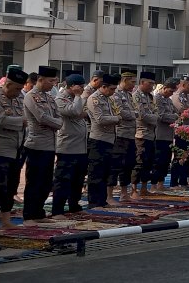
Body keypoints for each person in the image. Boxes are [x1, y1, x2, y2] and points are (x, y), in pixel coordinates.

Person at [0, 68, 27, 235]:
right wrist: (20, 121)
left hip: (16, 147)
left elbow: (21, 119)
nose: (19, 92)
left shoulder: (18, 98)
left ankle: (6, 220)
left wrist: (19, 121)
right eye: (16, 88)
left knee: (11, 187)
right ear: (7, 84)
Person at [23, 66, 62, 225]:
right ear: (40, 79)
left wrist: (57, 123)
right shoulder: (31, 96)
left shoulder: (49, 97)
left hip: (50, 144)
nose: (53, 84)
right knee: (34, 181)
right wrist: (57, 123)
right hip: (36, 144)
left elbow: (57, 116)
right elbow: (41, 117)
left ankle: (38, 212)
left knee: (46, 182)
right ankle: (29, 215)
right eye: (51, 81)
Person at [51, 73, 87, 218]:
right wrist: (78, 97)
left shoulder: (74, 99)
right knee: (63, 179)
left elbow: (83, 113)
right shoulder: (60, 99)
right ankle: (58, 209)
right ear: (72, 86)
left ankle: (74, 205)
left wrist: (78, 101)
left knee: (78, 179)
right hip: (67, 146)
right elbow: (76, 111)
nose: (83, 89)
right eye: (80, 86)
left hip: (81, 146)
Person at [86, 74, 121, 208]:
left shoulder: (108, 99)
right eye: (111, 89)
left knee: (106, 172)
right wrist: (117, 119)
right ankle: (93, 201)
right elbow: (100, 119)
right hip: (98, 139)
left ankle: (102, 200)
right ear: (103, 87)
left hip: (110, 139)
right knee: (96, 172)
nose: (113, 92)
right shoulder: (94, 98)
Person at [113, 71, 138, 202]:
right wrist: (134, 115)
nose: (134, 85)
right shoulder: (115, 94)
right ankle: (111, 194)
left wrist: (133, 114)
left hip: (130, 134)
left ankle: (124, 192)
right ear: (124, 80)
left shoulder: (128, 95)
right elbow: (121, 112)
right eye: (132, 82)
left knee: (129, 164)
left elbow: (135, 111)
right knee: (117, 164)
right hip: (120, 134)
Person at [132, 71, 158, 198]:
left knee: (149, 162)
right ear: (142, 82)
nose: (152, 86)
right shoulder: (136, 96)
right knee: (139, 162)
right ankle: (134, 189)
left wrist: (154, 117)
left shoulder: (150, 96)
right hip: (140, 134)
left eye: (153, 84)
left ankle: (143, 187)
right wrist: (155, 118)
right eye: (150, 83)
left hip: (151, 134)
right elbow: (142, 115)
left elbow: (156, 111)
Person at [153, 78, 179, 192]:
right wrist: (175, 117)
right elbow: (161, 116)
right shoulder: (157, 99)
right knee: (158, 161)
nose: (171, 94)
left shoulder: (168, 100)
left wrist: (175, 116)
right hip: (160, 134)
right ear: (164, 88)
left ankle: (161, 183)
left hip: (168, 134)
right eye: (170, 91)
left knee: (166, 160)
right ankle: (154, 184)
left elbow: (176, 112)